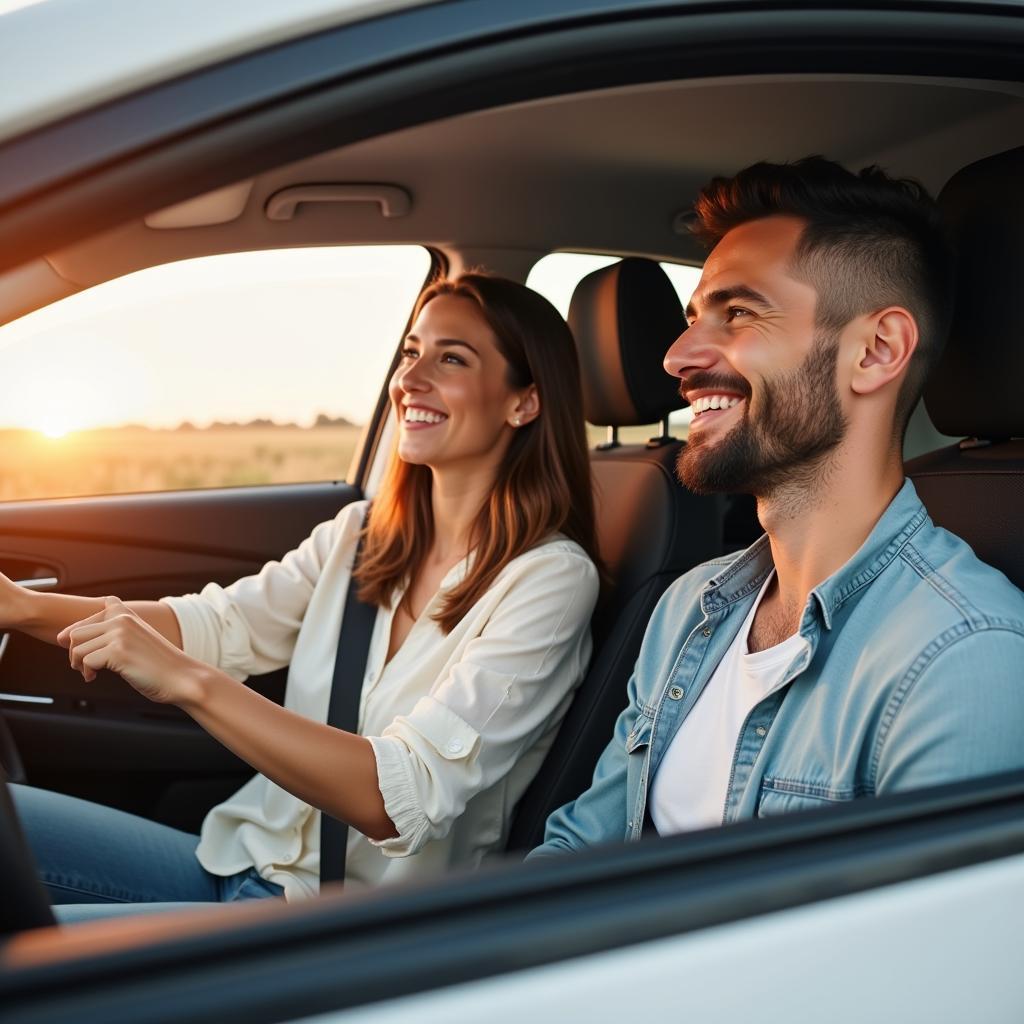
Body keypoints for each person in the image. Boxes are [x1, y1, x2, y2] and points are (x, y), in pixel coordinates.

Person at [1, 272, 600, 919]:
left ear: (524, 402)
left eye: (450, 358)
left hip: (343, 929)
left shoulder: (549, 581)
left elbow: (396, 796)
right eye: (410, 353)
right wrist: (21, 606)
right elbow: (222, 623)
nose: (411, 379)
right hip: (236, 864)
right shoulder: (363, 533)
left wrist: (190, 683)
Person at [532, 157, 1024, 857]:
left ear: (877, 351)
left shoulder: (963, 659)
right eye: (692, 319)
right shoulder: (689, 607)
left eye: (737, 313)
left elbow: (907, 962)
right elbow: (581, 849)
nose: (676, 357)